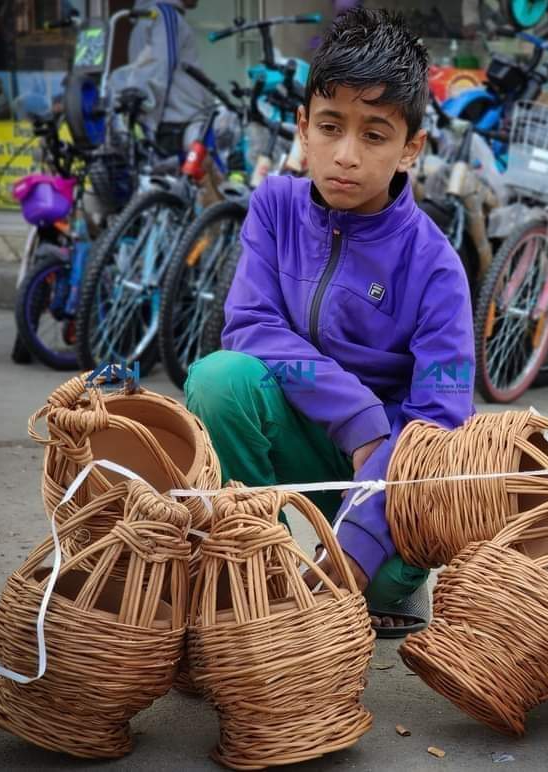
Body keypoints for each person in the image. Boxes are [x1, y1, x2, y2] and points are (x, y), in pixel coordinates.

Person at [184, 8, 474, 636]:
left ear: (410, 149)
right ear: (302, 129)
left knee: (393, 582)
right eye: (330, 127)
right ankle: (256, 559)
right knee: (219, 378)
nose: (345, 156)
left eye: (374, 135)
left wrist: (352, 551)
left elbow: (440, 421)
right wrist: (359, 419)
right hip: (301, 445)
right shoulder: (273, 207)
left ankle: (357, 579)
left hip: (387, 481)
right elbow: (250, 324)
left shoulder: (436, 266)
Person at [121, 0, 213, 156]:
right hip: (177, 123)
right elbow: (162, 69)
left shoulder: (146, 18)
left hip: (162, 122)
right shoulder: (164, 15)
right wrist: (151, 126)